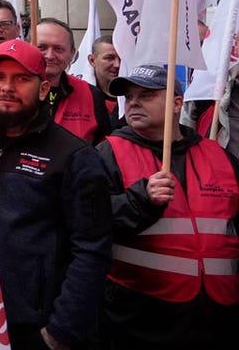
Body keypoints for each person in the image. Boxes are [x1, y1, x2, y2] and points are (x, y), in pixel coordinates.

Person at [0, 39, 112, 350]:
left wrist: (60, 333)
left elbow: (92, 251)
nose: (7, 87)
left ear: (42, 88)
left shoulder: (75, 157)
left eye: (21, 79)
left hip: (35, 329)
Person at [96, 65, 239, 348]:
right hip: (140, 317)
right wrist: (140, 201)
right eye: (130, 96)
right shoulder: (107, 152)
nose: (134, 102)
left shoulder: (217, 155)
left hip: (218, 317)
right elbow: (88, 222)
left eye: (146, 95)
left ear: (176, 103)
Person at [0, 17, 112, 142]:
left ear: (72, 54)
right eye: (41, 47)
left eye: (58, 49)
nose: (49, 56)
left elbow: (102, 150)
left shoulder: (91, 95)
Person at [88, 35, 123, 129]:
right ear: (92, 60)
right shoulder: (82, 97)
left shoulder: (135, 97)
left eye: (121, 58)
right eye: (109, 58)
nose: (117, 65)